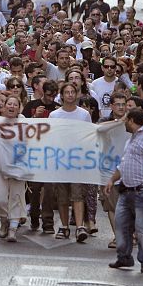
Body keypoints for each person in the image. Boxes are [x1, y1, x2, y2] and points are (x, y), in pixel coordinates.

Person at [105, 108, 143, 274]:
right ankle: (124, 257)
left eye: (126, 119)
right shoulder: (131, 139)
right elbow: (124, 164)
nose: (124, 122)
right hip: (127, 190)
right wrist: (112, 179)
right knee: (121, 224)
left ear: (131, 120)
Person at [48, 82, 92, 242]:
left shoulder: (84, 115)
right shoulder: (54, 115)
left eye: (73, 92)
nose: (70, 95)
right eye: (67, 92)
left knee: (78, 194)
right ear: (62, 95)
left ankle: (80, 226)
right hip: (60, 161)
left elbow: (89, 136)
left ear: (77, 94)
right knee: (62, 196)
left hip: (78, 161)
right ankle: (64, 226)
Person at [0, 95, 27, 242]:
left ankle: (12, 228)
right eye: (9, 104)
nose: (12, 107)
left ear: (19, 108)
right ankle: (4, 220)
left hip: (18, 167)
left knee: (16, 197)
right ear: (4, 106)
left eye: (15, 104)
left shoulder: (25, 124)